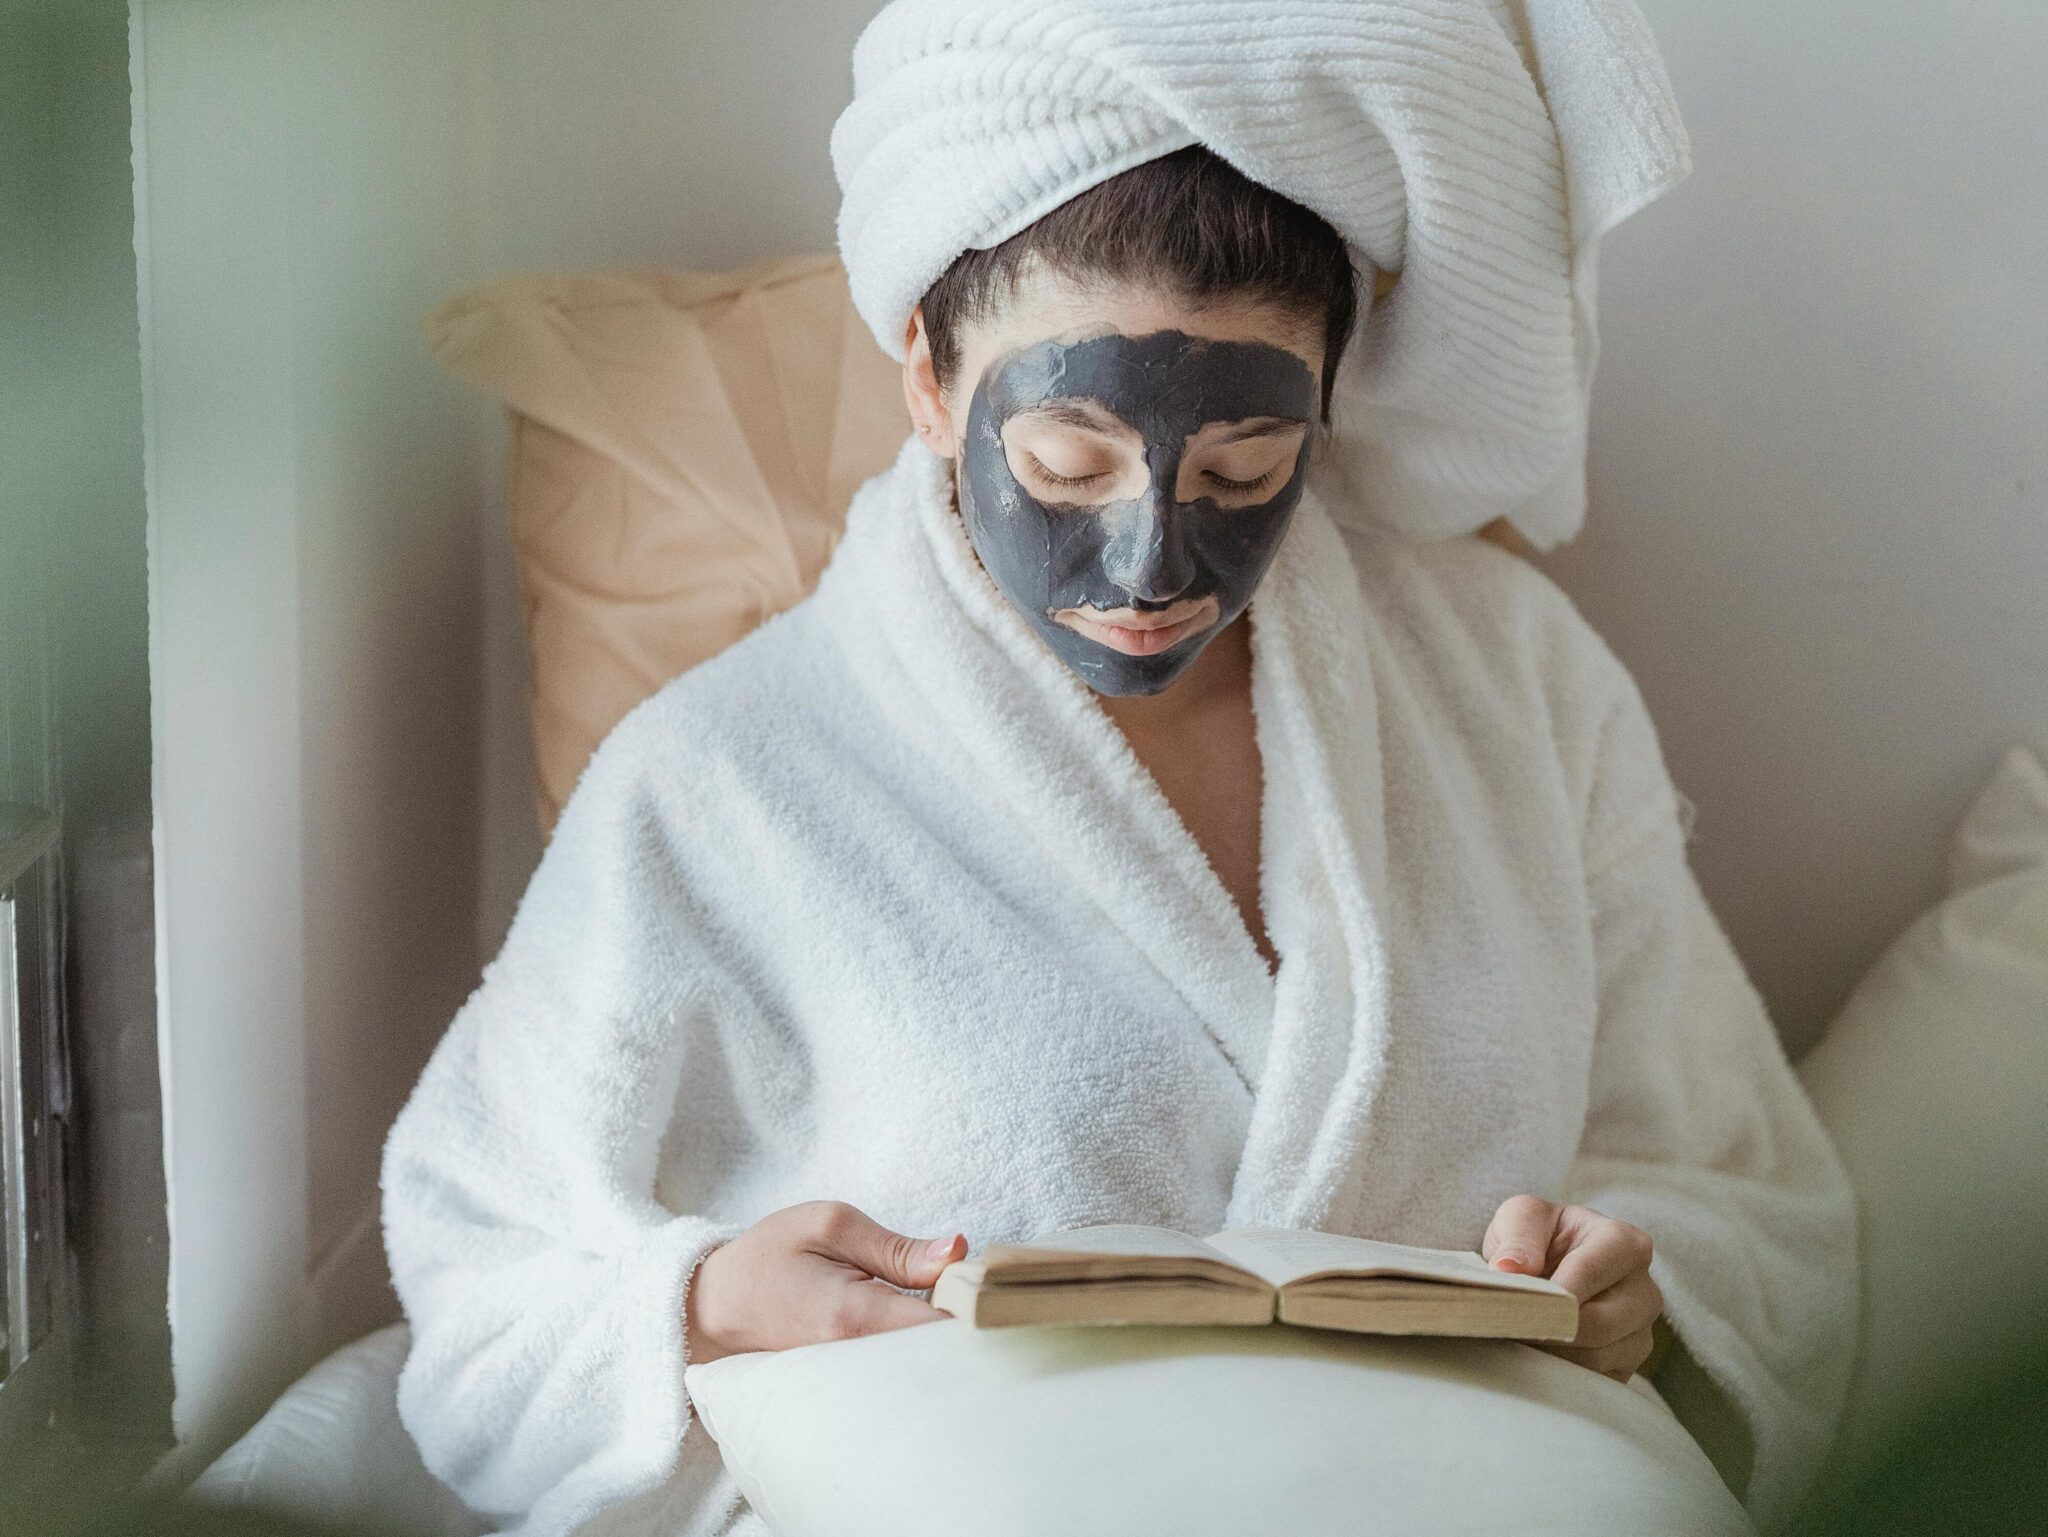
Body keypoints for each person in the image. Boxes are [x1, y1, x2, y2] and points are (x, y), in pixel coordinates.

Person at [380, 6, 1857, 1537]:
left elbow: (1741, 1190)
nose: (1151, 560)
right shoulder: (716, 783)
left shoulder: (1518, 689)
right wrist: (695, 1302)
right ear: (930, 381)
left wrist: (1642, 1295)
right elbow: (484, 1283)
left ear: (1328, 410)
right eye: (1067, 466)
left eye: (1243, 473)